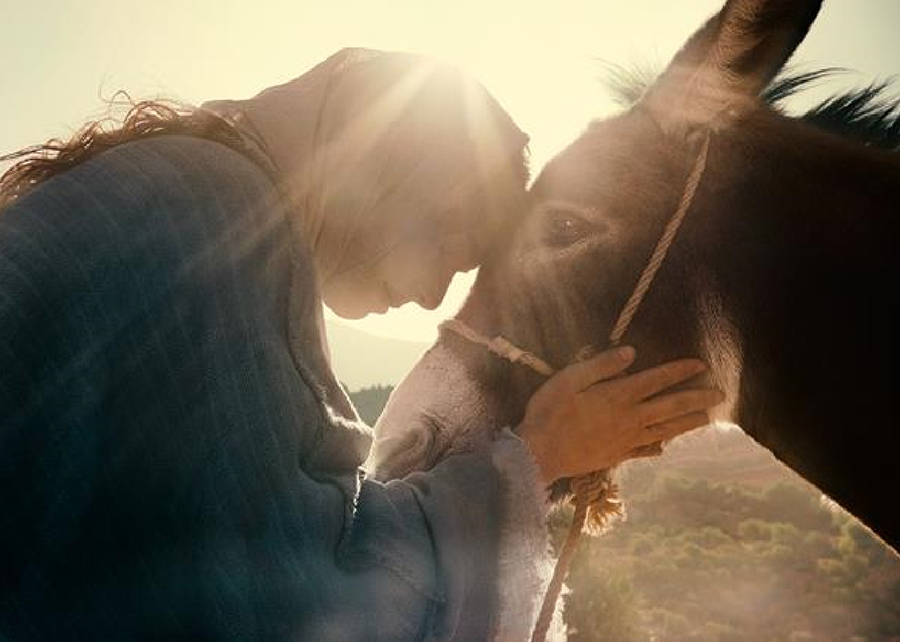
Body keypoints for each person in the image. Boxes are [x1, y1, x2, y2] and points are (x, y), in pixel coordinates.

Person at [0, 48, 723, 640]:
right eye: (448, 237)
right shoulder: (210, 228)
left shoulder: (185, 197)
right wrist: (536, 460)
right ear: (388, 166)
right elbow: (287, 603)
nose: (439, 294)